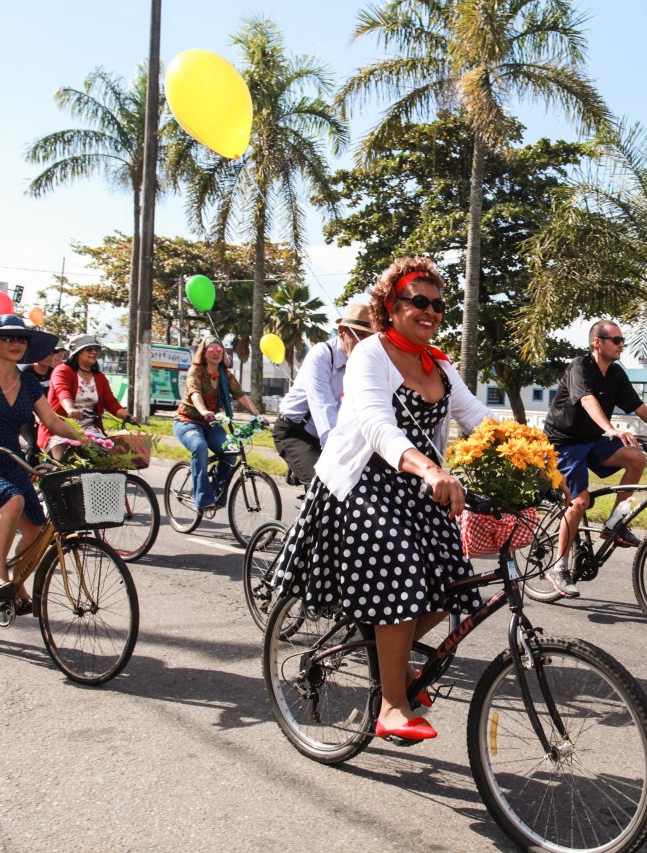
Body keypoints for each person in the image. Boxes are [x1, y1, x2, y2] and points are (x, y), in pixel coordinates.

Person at [271, 256, 493, 743]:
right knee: (400, 567)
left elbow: (479, 418)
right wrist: (431, 468)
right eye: (419, 301)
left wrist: (541, 462)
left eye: (437, 304)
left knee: (458, 584)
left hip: (414, 484)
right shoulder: (371, 353)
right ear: (391, 306)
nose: (431, 311)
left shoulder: (439, 363)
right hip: (361, 484)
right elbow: (376, 424)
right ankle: (392, 703)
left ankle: (384, 655)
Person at [0, 315, 84, 612]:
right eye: (7, 338)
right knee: (12, 499)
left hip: (9, 460)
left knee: (37, 531)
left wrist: (93, 443)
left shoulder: (29, 384)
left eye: (21, 339)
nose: (16, 343)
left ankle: (16, 583)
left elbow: (52, 421)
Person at [540, 320, 647, 597]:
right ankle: (559, 567)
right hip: (563, 444)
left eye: (622, 341)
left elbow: (638, 406)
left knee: (636, 459)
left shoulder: (616, 373)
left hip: (592, 441)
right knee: (579, 501)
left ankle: (615, 523)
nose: (622, 345)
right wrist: (610, 429)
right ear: (598, 341)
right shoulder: (579, 367)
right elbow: (586, 400)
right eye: (616, 340)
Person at [273, 302, 374, 486]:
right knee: (323, 487)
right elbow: (323, 408)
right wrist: (339, 456)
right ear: (342, 332)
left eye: (369, 338)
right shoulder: (321, 355)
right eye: (359, 335)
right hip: (295, 431)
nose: (363, 344)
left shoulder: (363, 363)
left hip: (327, 437)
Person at [174, 336, 265, 512]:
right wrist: (203, 411)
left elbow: (241, 396)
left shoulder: (226, 375)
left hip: (211, 424)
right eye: (211, 350)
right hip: (187, 422)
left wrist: (258, 415)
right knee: (199, 447)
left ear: (223, 353)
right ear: (204, 352)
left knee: (231, 451)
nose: (215, 353)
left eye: (219, 350)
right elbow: (195, 394)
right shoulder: (196, 371)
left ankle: (215, 493)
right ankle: (203, 498)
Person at [39, 335, 134, 461]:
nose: (94, 352)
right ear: (77, 353)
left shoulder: (99, 377)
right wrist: (70, 408)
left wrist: (127, 416)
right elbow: (62, 391)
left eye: (96, 349)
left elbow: (110, 401)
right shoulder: (62, 371)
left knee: (108, 461)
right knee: (65, 461)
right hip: (60, 429)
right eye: (89, 349)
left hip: (89, 430)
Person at [19, 343, 69, 463]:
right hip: (29, 417)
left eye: (51, 353)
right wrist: (38, 415)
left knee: (61, 443)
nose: (48, 357)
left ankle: (53, 474)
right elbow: (24, 398)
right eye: (44, 354)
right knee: (33, 445)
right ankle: (31, 477)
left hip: (51, 416)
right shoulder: (25, 374)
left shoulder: (55, 373)